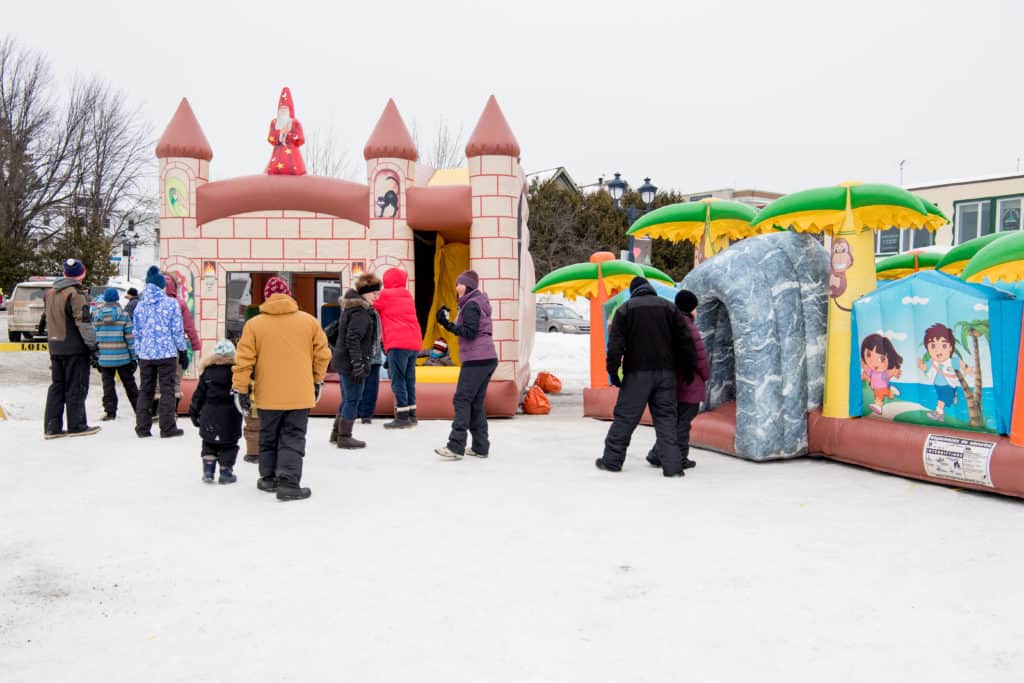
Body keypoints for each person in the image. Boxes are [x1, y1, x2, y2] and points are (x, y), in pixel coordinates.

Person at [233, 276, 330, 501]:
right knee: (293, 435)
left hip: (268, 394)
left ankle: (268, 477)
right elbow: (323, 355)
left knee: (268, 434)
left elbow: (244, 360)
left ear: (266, 298)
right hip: (300, 393)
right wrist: (317, 380)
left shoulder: (254, 324)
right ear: (289, 295)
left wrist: (241, 389)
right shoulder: (309, 321)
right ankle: (288, 481)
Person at [596, 277, 696, 477]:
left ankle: (612, 461)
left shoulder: (625, 310)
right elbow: (686, 341)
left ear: (634, 291)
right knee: (667, 420)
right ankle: (673, 467)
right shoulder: (670, 308)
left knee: (625, 417)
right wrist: (687, 369)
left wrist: (613, 372)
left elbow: (615, 346)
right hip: (666, 374)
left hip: (637, 375)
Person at [434, 270, 497, 459]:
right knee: (475, 402)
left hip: (477, 359)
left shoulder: (470, 305)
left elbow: (469, 332)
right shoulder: (476, 303)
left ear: (466, 286)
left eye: (458, 284)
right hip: (485, 358)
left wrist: (445, 324)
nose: (455, 287)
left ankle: (455, 446)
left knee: (462, 399)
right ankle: (480, 446)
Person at [647, 290, 709, 471]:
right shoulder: (688, 326)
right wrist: (706, 375)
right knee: (682, 423)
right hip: (689, 382)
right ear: (690, 307)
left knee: (672, 422)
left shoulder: (669, 323)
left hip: (671, 382)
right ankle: (680, 457)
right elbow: (700, 358)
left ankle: (657, 453)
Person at [42, 258, 100, 439]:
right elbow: (83, 323)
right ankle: (77, 425)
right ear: (81, 274)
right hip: (74, 347)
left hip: (55, 346)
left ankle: (52, 426)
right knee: (76, 385)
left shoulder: (50, 293)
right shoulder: (76, 294)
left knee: (57, 386)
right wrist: (93, 347)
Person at [133, 266, 188, 439]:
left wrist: (138, 352)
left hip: (146, 355)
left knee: (145, 390)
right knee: (167, 390)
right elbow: (177, 331)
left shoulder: (139, 307)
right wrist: (183, 351)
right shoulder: (171, 304)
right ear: (161, 286)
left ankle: (142, 427)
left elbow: (137, 333)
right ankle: (167, 427)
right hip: (166, 354)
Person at [331, 273, 382, 448]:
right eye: (375, 293)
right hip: (351, 363)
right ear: (365, 293)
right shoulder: (360, 312)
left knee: (347, 398)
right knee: (353, 399)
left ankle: (337, 433)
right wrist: (358, 364)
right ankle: (344, 436)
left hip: (344, 361)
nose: (377, 296)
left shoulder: (352, 308)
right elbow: (353, 339)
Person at [189, 339, 243, 485]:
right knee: (229, 443)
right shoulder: (237, 373)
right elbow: (243, 393)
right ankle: (225, 472)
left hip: (209, 414)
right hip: (231, 415)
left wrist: (194, 412)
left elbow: (198, 395)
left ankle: (208, 470)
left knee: (209, 442)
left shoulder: (207, 373)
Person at [374, 267, 421, 429]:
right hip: (413, 343)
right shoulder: (407, 295)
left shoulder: (386, 295)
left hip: (397, 343)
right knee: (409, 379)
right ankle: (412, 415)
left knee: (398, 379)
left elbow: (372, 304)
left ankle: (402, 417)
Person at [94, 287, 139, 422]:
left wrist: (97, 356)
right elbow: (130, 339)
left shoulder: (97, 315)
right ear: (117, 299)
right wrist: (133, 357)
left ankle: (110, 411)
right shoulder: (123, 315)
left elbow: (94, 337)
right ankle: (139, 409)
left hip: (105, 357)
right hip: (122, 356)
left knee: (108, 385)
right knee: (129, 384)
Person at [163, 272, 201, 400]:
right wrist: (195, 344)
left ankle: (155, 410)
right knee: (175, 380)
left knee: (157, 382)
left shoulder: (149, 304)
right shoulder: (180, 304)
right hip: (176, 348)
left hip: (154, 350)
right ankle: (172, 411)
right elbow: (189, 326)